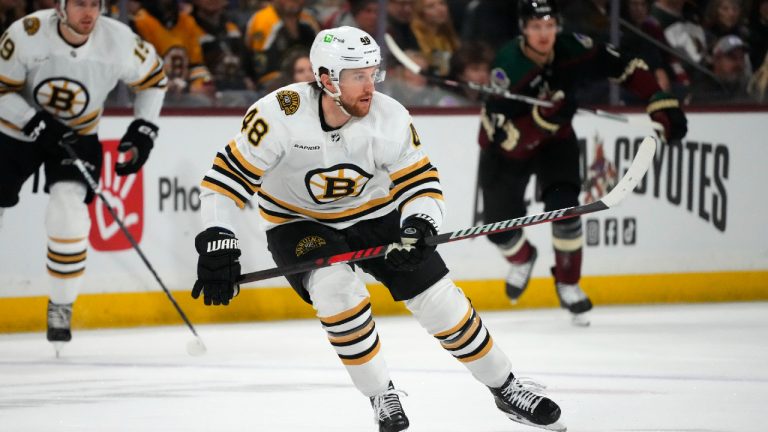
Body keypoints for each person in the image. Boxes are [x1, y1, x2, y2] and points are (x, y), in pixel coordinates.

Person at [192, 25, 566, 432]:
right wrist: (217, 242)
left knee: (440, 299)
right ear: (324, 78)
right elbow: (224, 181)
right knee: (336, 290)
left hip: (375, 213)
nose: (370, 86)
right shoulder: (278, 114)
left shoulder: (391, 118)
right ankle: (380, 393)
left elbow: (422, 184)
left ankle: (506, 388)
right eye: (358, 76)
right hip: (297, 222)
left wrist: (420, 224)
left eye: (373, 73)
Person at [478, 0, 687, 325]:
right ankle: (524, 258)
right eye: (536, 26)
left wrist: (659, 99)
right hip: (505, 148)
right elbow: (506, 140)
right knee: (500, 230)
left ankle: (568, 282)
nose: (543, 33)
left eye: (549, 25)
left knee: (566, 209)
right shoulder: (508, 67)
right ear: (524, 29)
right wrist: (541, 118)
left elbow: (626, 64)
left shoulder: (572, 47)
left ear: (557, 25)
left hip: (556, 140)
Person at [0, 0, 166, 354]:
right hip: (14, 131)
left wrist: (143, 129)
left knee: (68, 216)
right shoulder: (27, 34)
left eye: (95, 4)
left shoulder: (119, 40)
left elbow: (154, 80)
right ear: (60, 7)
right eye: (79, 4)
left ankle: (61, 305)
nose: (88, 13)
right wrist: (34, 120)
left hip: (76, 135)